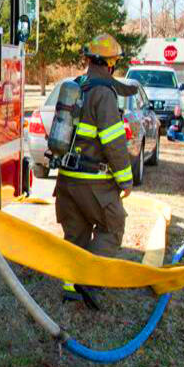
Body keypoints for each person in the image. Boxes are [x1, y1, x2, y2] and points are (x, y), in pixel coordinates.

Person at [55, 33, 137, 310]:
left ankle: (70, 288)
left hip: (66, 181)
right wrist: (126, 179)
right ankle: (88, 281)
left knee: (75, 234)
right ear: (111, 64)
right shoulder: (103, 94)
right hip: (94, 183)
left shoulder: (77, 86)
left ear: (89, 60)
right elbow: (114, 141)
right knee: (113, 226)